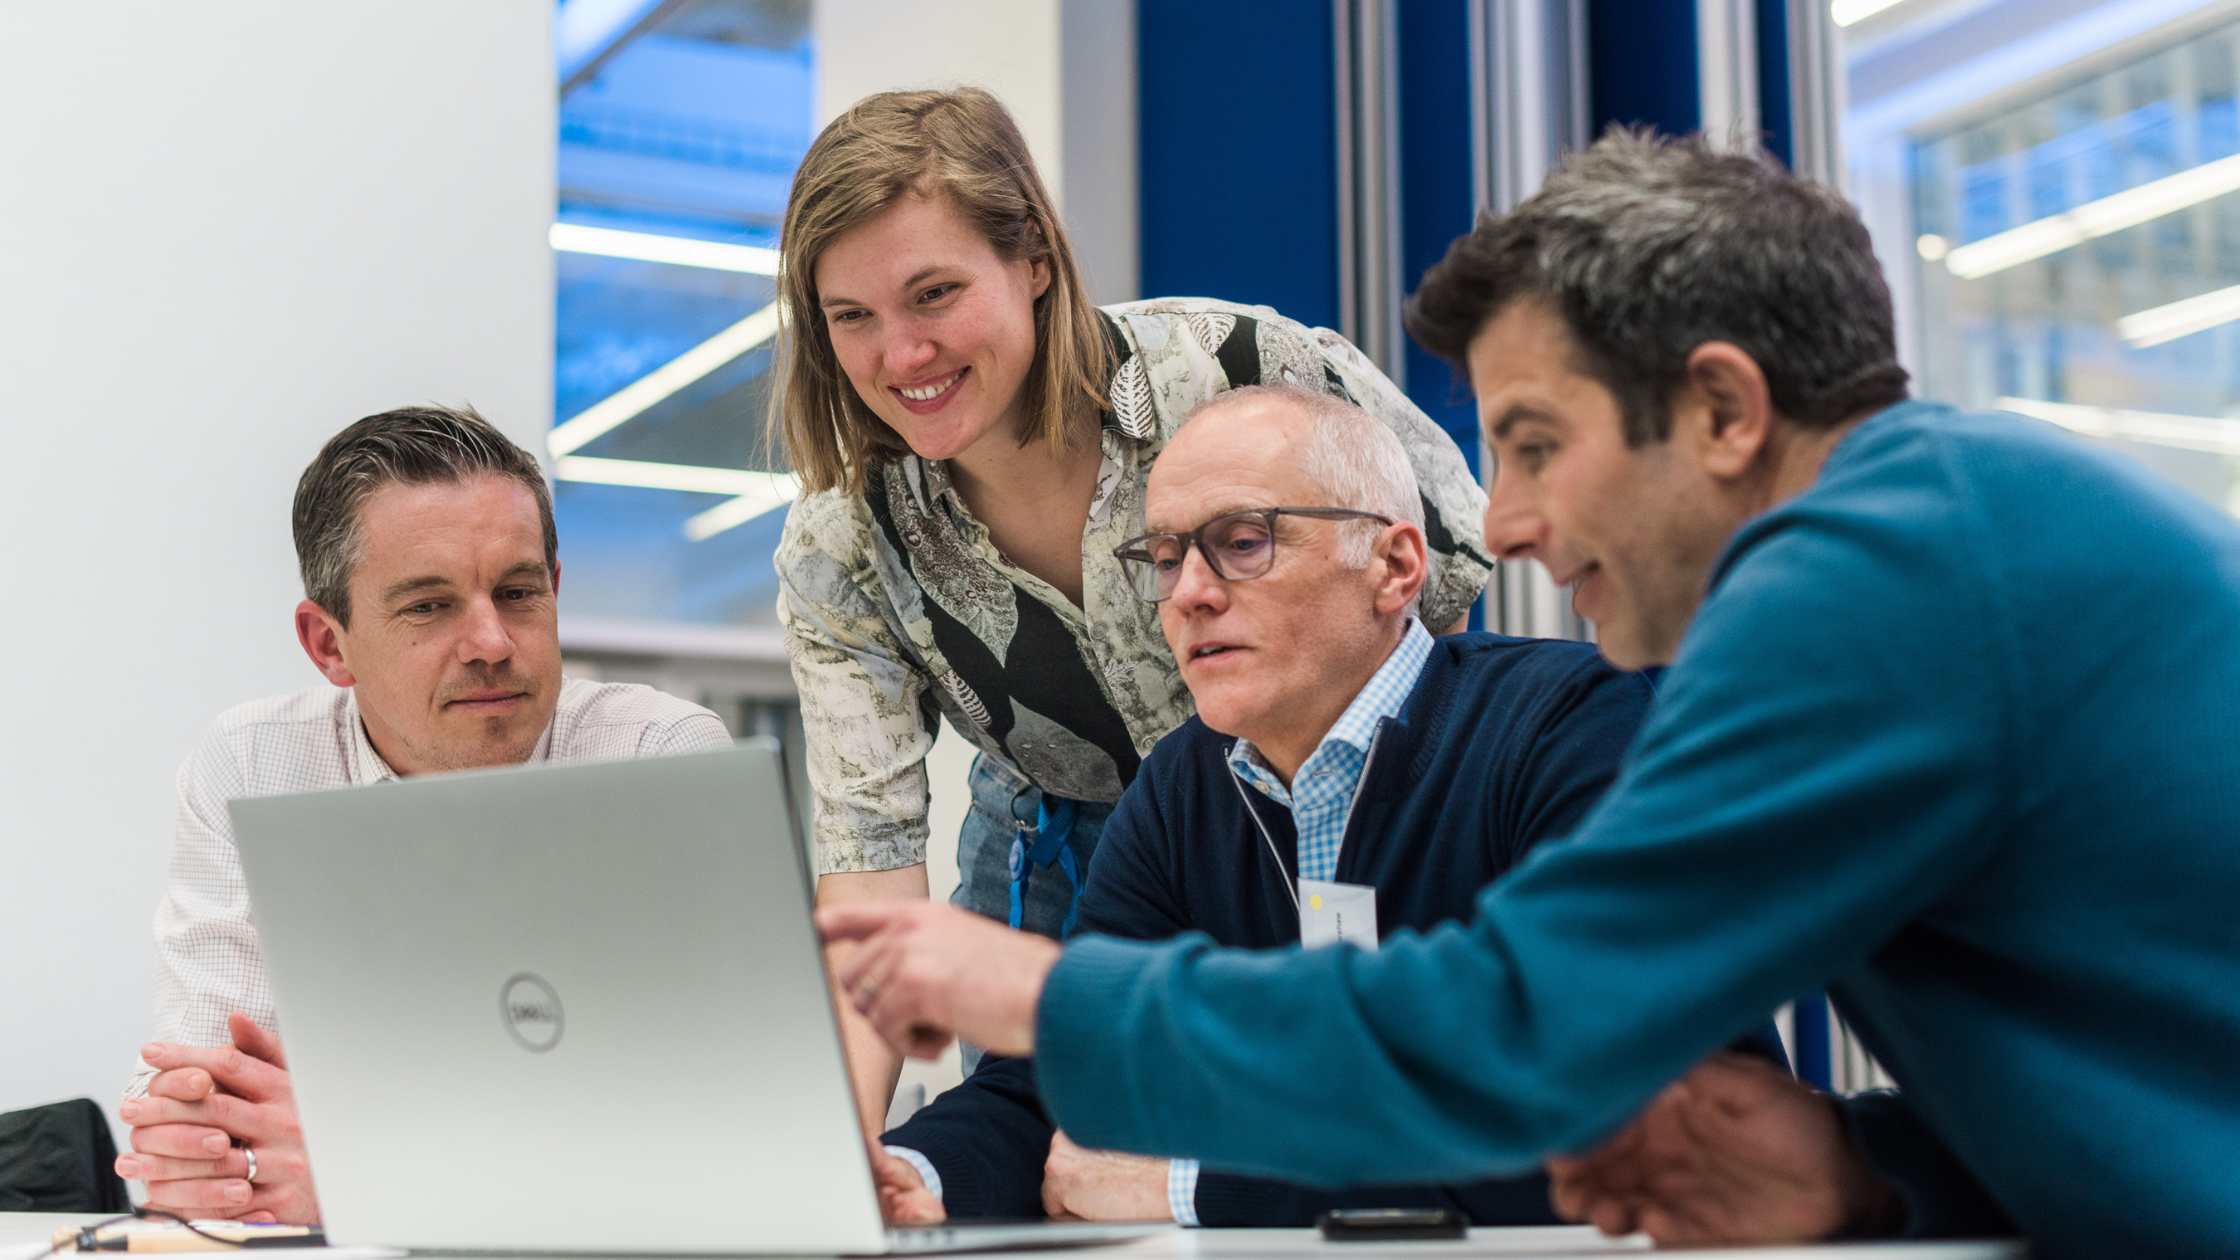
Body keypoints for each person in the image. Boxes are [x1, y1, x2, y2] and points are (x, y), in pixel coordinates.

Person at [817, 131, 2240, 1260]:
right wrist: (1865, 1175)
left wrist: (1046, 992)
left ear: (1727, 413)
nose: (1497, 528)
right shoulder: (1960, 527)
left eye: (1536, 443)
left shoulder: (1880, 569)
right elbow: (2149, 1071)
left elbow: (1524, 1032)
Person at [773, 87, 1494, 1128]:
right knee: (1061, 1156)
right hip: (1065, 851)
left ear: (1032, 260)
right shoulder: (842, 542)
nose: (900, 356)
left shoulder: (1241, 370)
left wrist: (1389, 859)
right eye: (851, 318)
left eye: (932, 293)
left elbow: (1441, 611)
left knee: (1354, 1122)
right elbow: (869, 880)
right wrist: (833, 1166)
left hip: (1331, 799)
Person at [872, 384, 1747, 1226]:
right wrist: (910, 1174)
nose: (1188, 595)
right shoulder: (1182, 788)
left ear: (1396, 566)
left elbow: (1641, 1116)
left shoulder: (1570, 727)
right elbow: (1071, 1075)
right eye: (1167, 559)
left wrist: (1200, 1185)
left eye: (1244, 541)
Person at [117, 407, 735, 1225]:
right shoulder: (251, 764)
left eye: (517, 593)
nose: (490, 641)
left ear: (554, 590)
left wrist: (359, 1168)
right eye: (428, 606)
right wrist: (198, 1140)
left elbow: (716, 1122)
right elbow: (211, 1104)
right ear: (329, 645)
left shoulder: (662, 756)